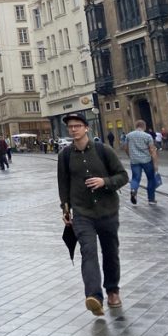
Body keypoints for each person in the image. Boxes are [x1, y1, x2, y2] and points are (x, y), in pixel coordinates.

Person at [58, 112, 128, 316]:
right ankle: (94, 297)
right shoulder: (65, 155)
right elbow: (63, 184)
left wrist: (104, 182)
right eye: (70, 127)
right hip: (82, 213)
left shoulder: (103, 150)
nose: (73, 129)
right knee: (88, 252)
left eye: (77, 126)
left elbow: (123, 176)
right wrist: (65, 208)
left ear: (86, 128)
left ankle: (113, 291)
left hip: (107, 211)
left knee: (110, 252)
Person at [124, 120, 159, 205]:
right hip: (147, 160)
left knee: (135, 178)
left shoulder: (129, 135)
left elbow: (125, 147)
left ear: (136, 126)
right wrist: (155, 164)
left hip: (134, 161)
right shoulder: (148, 136)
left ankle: (133, 190)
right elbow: (152, 150)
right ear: (144, 126)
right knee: (151, 179)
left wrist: (130, 156)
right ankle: (151, 199)